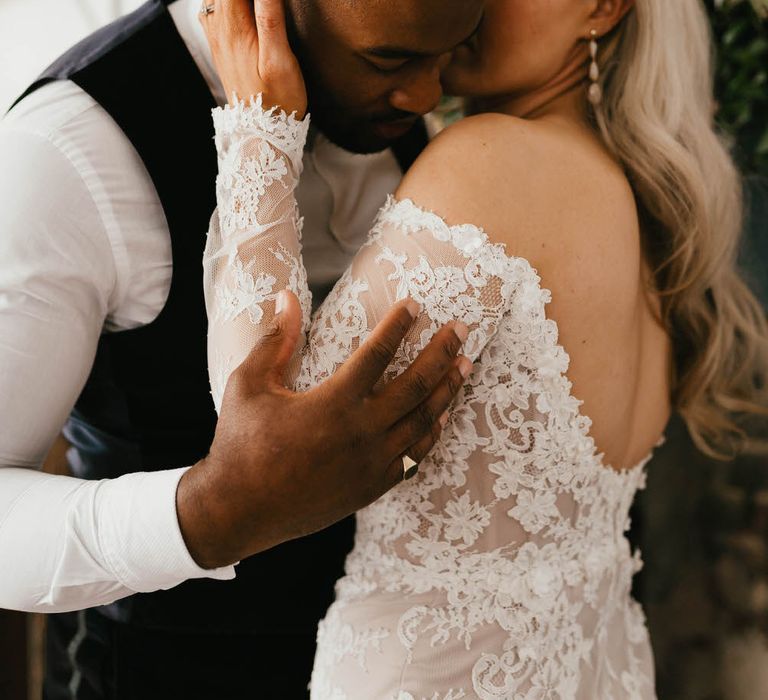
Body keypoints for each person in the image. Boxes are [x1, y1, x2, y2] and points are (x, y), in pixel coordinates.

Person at [201, 0, 768, 697]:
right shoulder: (649, 203)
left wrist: (261, 124)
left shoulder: (492, 162)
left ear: (602, 7)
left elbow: (262, 413)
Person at [0, 0, 484, 696]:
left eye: (450, 54)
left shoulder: (409, 98)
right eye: (389, 61)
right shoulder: (68, 152)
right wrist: (213, 512)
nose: (429, 95)